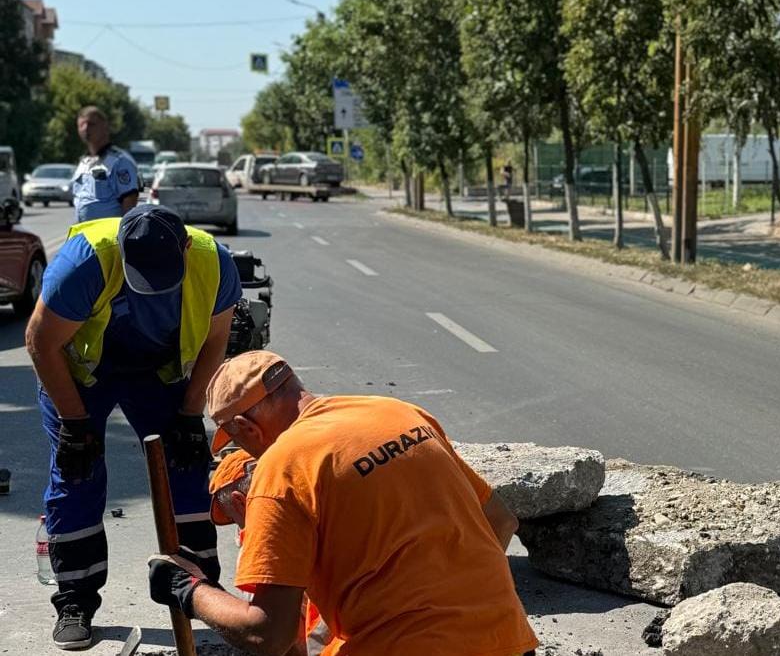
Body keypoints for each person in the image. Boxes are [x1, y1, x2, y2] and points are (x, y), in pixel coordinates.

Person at [146, 350, 539, 656]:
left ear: (247, 428)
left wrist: (188, 587)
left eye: (239, 441)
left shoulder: (283, 466)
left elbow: (265, 633)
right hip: (506, 638)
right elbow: (502, 522)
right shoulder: (398, 412)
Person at [25, 205, 242, 650]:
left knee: (185, 470)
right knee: (77, 473)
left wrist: (189, 411)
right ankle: (75, 600)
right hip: (81, 375)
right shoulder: (85, 261)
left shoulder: (213, 262)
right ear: (122, 251)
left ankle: (201, 592)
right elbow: (40, 340)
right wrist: (74, 422)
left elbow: (217, 340)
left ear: (185, 248)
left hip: (158, 371)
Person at [209, 450, 333, 656]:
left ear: (240, 502)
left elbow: (276, 639)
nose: (238, 529)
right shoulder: (315, 514)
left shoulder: (260, 555)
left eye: (233, 519)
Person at [71, 107, 142, 223]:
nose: (86, 129)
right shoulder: (83, 162)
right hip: (84, 234)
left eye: (91, 124)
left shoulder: (119, 161)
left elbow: (130, 203)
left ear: (105, 127)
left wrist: (125, 235)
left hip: (108, 237)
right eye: (81, 125)